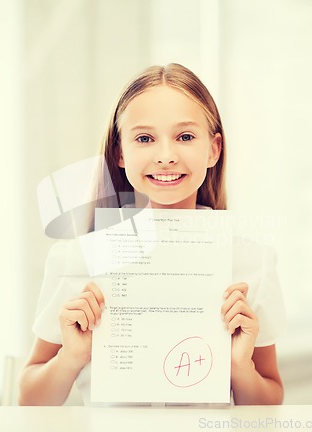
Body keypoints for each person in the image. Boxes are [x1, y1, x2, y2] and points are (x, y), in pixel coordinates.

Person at [19, 63, 286, 406]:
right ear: (119, 151)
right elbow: (29, 401)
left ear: (213, 150)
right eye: (144, 138)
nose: (165, 156)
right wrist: (71, 356)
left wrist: (238, 365)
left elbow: (268, 405)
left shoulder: (252, 262)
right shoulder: (75, 259)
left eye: (185, 137)